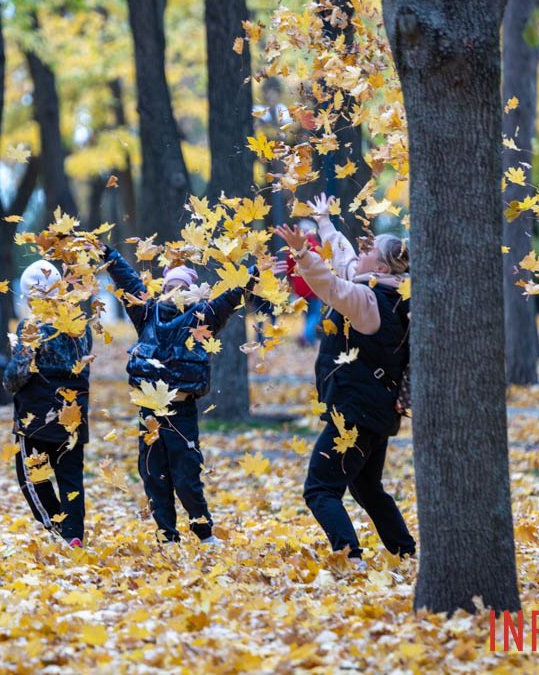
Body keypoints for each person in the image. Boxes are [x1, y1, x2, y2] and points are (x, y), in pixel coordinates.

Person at [274, 193, 415, 570]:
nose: (363, 250)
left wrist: (303, 256)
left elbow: (332, 286)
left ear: (382, 265)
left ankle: (351, 558)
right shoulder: (387, 291)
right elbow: (346, 260)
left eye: (372, 249)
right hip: (374, 410)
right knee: (367, 487)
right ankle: (405, 551)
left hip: (355, 412)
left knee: (320, 489)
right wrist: (324, 223)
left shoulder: (369, 302)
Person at [103, 245, 257, 545]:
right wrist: (108, 254)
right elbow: (128, 281)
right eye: (171, 287)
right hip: (150, 415)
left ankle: (204, 533)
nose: (176, 293)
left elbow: (229, 298)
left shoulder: (202, 319)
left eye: (183, 288)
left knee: (187, 477)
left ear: (193, 293)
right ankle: (166, 536)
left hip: (180, 413)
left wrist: (253, 274)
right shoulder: (148, 314)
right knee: (153, 476)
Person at [3, 260, 92, 548]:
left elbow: (16, 375)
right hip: (73, 414)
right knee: (70, 478)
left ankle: (56, 524)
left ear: (30, 296)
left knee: (31, 476)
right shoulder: (81, 326)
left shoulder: (31, 327)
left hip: (37, 418)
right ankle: (74, 534)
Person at [284, 218, 324, 346]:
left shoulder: (293, 247)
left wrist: (291, 280)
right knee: (315, 314)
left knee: (307, 313)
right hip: (314, 285)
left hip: (299, 286)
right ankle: (306, 336)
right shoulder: (316, 246)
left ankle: (309, 340)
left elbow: (289, 266)